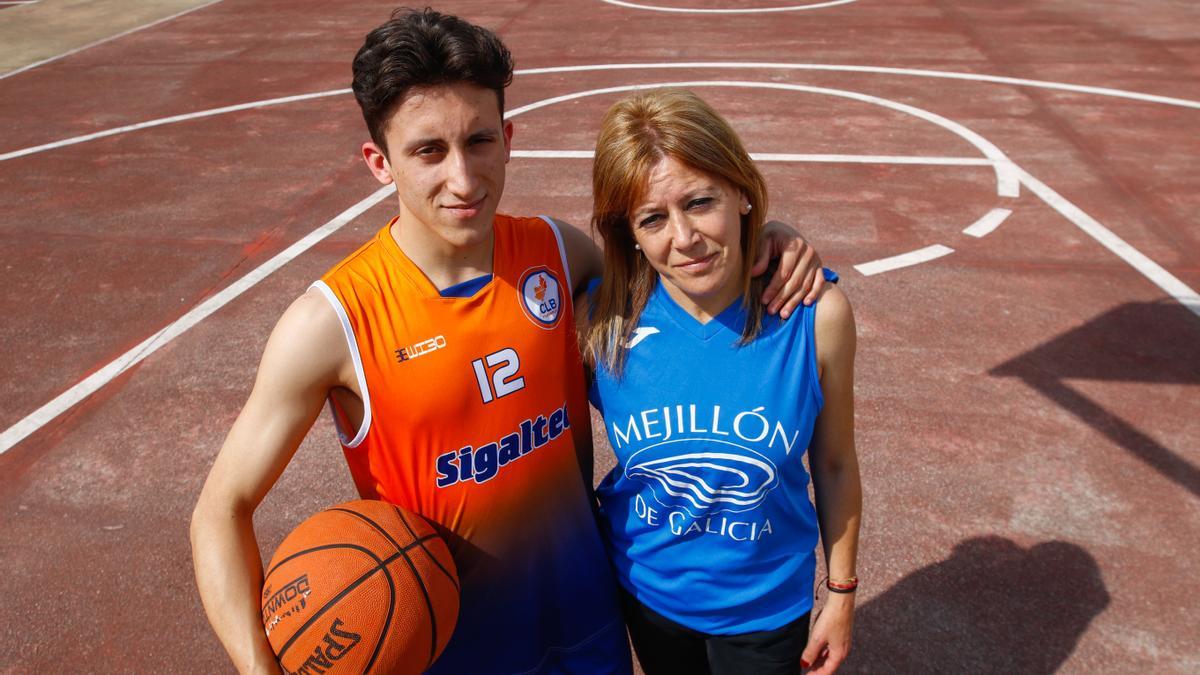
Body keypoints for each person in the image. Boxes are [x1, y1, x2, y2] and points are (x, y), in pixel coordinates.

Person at [190, 9, 827, 675]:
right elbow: (219, 511)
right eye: (428, 151)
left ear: (510, 137)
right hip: (452, 648)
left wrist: (767, 239)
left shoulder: (557, 252)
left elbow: (682, 280)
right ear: (380, 163)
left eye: (480, 141)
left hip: (593, 626)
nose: (464, 179)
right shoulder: (332, 322)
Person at [583, 88, 862, 675]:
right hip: (646, 594)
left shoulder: (814, 317)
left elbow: (834, 463)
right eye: (653, 218)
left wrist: (842, 594)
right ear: (629, 231)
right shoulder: (602, 323)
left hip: (765, 609)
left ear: (740, 191)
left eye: (700, 201)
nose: (684, 238)